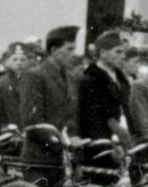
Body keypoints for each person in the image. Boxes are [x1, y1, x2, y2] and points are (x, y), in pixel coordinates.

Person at [20, 25, 80, 175]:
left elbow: (71, 116)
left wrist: (73, 139)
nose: (74, 54)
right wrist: (60, 143)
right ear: (53, 50)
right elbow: (33, 121)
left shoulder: (71, 78)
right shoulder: (36, 75)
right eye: (69, 49)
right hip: (40, 159)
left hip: (63, 158)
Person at [77, 30, 132, 147]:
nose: (123, 56)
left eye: (123, 52)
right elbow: (91, 118)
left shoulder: (122, 80)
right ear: (103, 53)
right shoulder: (90, 79)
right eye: (118, 52)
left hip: (125, 142)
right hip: (102, 144)